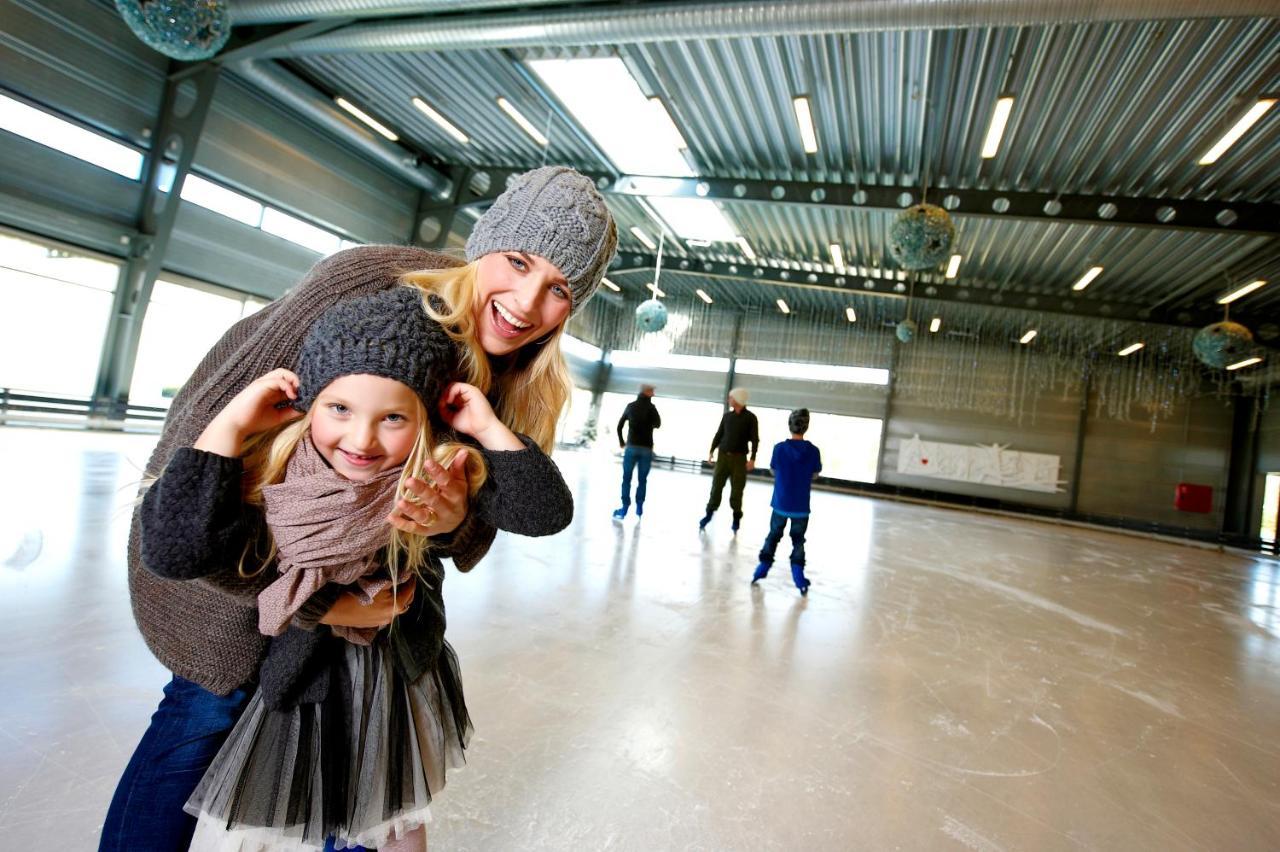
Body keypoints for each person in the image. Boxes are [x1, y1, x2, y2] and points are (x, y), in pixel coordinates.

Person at [101, 164, 617, 852]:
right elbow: (199, 451)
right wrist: (306, 603)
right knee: (200, 718)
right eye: (518, 262)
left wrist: (450, 518)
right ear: (483, 244)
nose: (526, 302)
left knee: (348, 763)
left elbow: (477, 531)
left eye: (558, 290)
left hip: (351, 601)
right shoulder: (367, 287)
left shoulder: (520, 380)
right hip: (237, 557)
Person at [751, 408, 822, 595]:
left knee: (773, 535)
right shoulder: (814, 451)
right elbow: (815, 474)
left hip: (781, 503)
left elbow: (773, 470)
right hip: (801, 506)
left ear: (789, 425)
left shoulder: (779, 449)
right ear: (806, 427)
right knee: (798, 540)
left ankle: (762, 568)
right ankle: (798, 575)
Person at [698, 387, 759, 533]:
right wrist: (711, 451)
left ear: (737, 399)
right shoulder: (727, 417)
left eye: (731, 397)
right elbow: (719, 434)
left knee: (737, 490)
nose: (728, 399)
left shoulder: (750, 418)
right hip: (723, 457)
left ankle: (736, 517)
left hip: (739, 459)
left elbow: (755, 439)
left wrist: (752, 458)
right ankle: (708, 514)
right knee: (716, 486)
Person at [612, 383, 661, 519]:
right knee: (642, 480)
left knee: (626, 478)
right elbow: (658, 424)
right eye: (652, 391)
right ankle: (639, 507)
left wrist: (622, 442)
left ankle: (624, 508)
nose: (654, 393)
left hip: (631, 447)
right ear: (646, 392)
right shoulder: (652, 408)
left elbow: (619, 426)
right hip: (646, 449)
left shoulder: (631, 406)